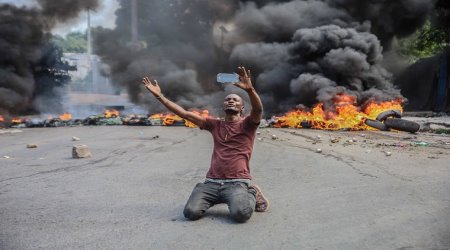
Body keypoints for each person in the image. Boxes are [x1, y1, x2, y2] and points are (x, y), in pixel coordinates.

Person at [142, 66, 269, 223]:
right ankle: (204, 193)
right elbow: (184, 113)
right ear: (223, 106)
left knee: (241, 214)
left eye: (235, 100)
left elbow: (258, 109)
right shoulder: (214, 124)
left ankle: (252, 192)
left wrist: (250, 90)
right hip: (212, 182)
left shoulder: (248, 124)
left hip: (237, 182)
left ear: (242, 108)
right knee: (190, 213)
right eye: (227, 99)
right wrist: (160, 96)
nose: (230, 100)